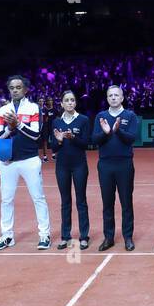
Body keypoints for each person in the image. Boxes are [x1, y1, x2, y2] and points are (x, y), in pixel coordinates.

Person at [0, 76, 51, 251]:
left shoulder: (33, 108)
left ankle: (44, 234)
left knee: (38, 198)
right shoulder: (3, 110)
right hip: (8, 161)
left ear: (25, 90)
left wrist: (17, 124)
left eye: (18, 87)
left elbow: (35, 135)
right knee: (6, 200)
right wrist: (9, 128)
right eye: (12, 87)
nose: (15, 90)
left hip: (30, 160)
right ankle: (7, 235)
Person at [93, 84, 139, 251]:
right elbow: (95, 139)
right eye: (110, 95)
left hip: (124, 164)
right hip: (105, 164)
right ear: (107, 98)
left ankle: (128, 237)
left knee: (126, 202)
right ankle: (108, 237)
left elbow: (131, 139)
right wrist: (105, 132)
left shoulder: (130, 115)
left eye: (116, 95)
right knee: (107, 202)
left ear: (122, 98)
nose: (113, 98)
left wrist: (117, 131)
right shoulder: (101, 116)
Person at [49, 90, 91, 249]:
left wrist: (73, 138)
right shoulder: (56, 122)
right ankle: (65, 236)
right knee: (65, 201)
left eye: (72, 100)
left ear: (75, 103)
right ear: (61, 103)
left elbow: (87, 144)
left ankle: (84, 236)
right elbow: (53, 147)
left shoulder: (83, 120)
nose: (70, 103)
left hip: (79, 164)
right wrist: (59, 141)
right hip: (62, 166)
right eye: (66, 100)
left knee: (81, 200)